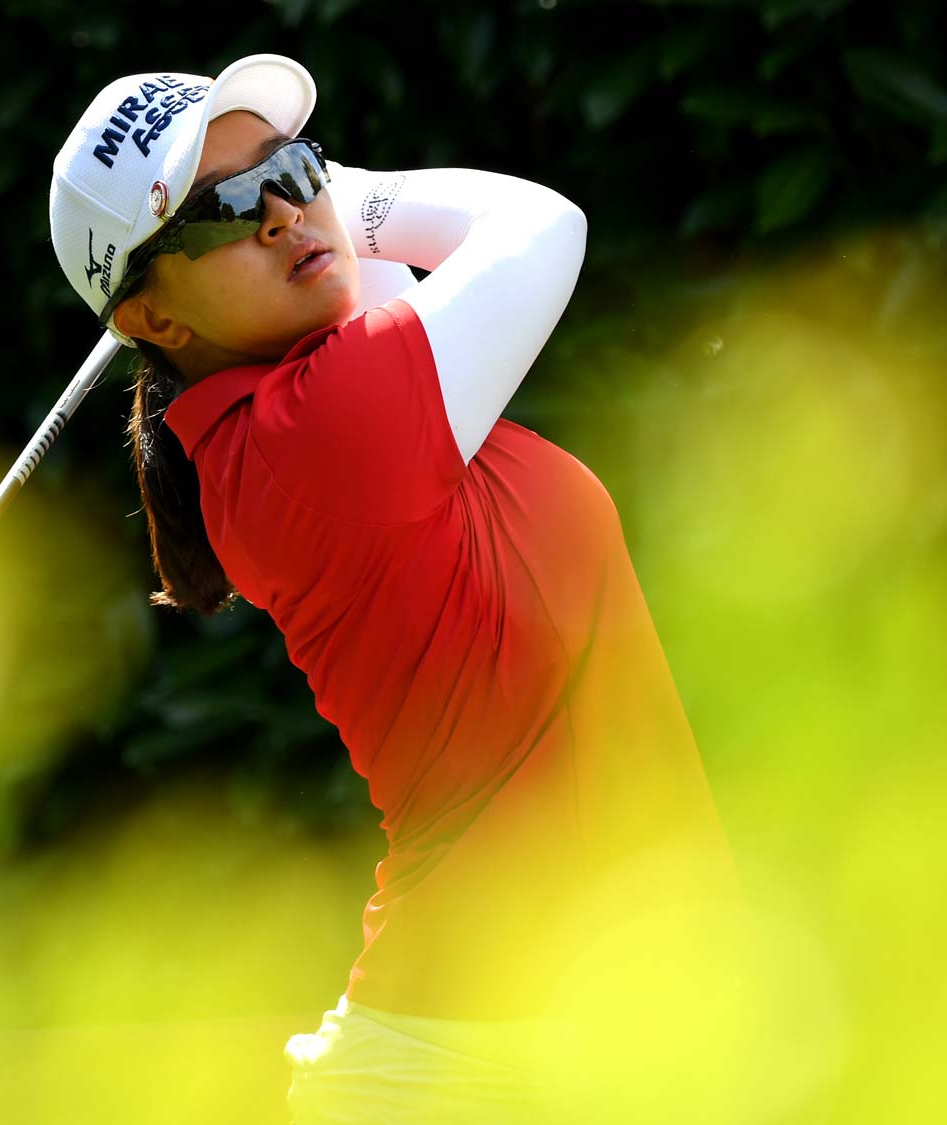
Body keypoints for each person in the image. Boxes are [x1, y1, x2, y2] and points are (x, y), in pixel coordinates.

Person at [48, 54, 742, 1123]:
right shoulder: (315, 432)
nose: (279, 209)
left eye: (289, 164)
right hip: (484, 1059)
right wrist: (351, 199)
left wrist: (302, 205)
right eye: (223, 208)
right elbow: (537, 225)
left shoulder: (298, 403)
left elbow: (387, 280)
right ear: (153, 321)